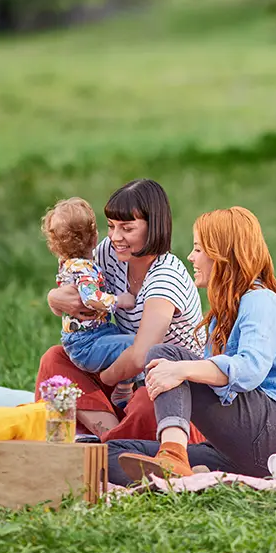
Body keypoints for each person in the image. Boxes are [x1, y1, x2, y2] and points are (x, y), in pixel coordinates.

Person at [107, 206, 276, 483]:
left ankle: (174, 455)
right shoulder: (222, 313)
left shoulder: (260, 300)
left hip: (275, 436)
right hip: (237, 450)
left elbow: (250, 369)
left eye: (198, 249)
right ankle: (180, 474)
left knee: (164, 355)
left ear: (223, 256)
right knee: (109, 452)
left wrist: (181, 370)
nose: (191, 257)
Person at [36, 179, 205, 441]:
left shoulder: (166, 277)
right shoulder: (110, 253)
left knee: (146, 403)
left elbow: (140, 355)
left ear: (154, 227)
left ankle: (112, 444)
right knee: (55, 360)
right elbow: (75, 282)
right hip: (124, 369)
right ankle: (111, 435)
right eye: (111, 226)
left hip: (171, 384)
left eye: (127, 228)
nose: (115, 237)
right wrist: (53, 298)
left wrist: (107, 378)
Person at [41, 197, 138, 409]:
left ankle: (122, 386)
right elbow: (92, 298)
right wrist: (120, 301)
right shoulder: (83, 269)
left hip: (90, 337)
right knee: (136, 346)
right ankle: (123, 388)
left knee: (128, 344)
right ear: (94, 238)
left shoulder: (67, 263)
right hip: (88, 344)